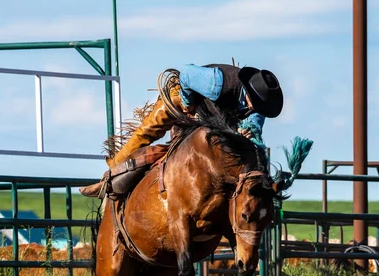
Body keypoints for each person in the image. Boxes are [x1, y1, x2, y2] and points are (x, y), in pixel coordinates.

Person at [79, 63, 284, 197]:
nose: (256, 109)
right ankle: (108, 178)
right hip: (186, 101)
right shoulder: (218, 82)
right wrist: (188, 105)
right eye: (255, 103)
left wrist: (250, 133)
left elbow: (255, 130)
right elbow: (186, 74)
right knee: (148, 131)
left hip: (212, 120)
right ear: (248, 92)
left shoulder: (257, 108)